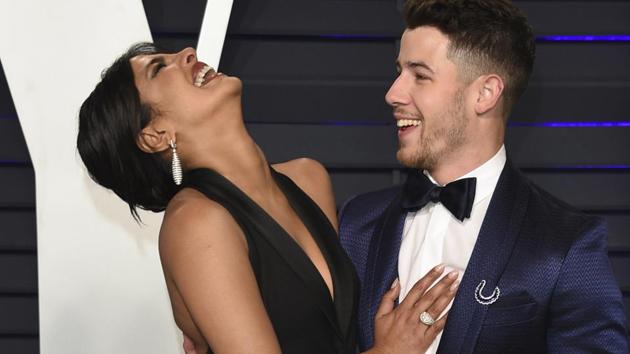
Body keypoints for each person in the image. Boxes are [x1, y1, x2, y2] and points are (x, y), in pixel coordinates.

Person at [77, 43, 459, 354]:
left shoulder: (309, 178)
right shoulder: (194, 222)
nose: (188, 53)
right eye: (160, 69)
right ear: (155, 134)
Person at [339, 0, 629, 353]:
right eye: (399, 71)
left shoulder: (565, 244)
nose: (393, 94)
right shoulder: (357, 224)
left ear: (485, 93)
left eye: (419, 75)